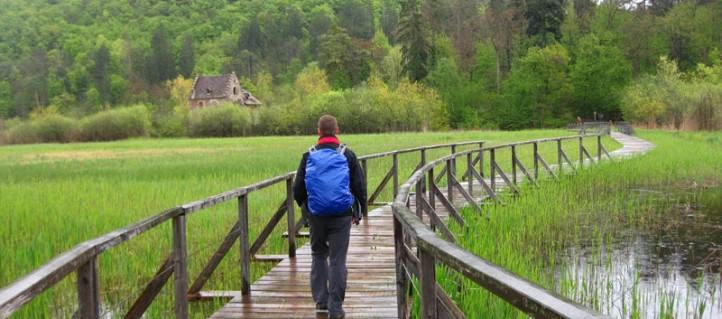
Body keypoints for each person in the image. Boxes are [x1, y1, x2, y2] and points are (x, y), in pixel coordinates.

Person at [293, 115, 367, 319]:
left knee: (318, 255)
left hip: (317, 215)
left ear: (318, 131)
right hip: (342, 215)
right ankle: (336, 308)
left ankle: (321, 302)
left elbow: (297, 189)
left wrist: (307, 207)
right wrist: (361, 211)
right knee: (337, 260)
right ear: (337, 130)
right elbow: (359, 186)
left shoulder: (308, 156)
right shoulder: (347, 154)